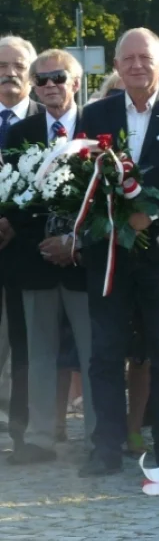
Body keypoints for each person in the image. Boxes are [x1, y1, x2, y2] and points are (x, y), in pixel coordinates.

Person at [79, 28, 159, 477]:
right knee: (105, 353)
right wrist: (109, 218)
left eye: (144, 57)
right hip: (109, 254)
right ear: (116, 66)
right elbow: (79, 182)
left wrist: (148, 215)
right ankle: (106, 448)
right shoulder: (94, 114)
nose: (136, 65)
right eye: (127, 58)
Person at [5, 49, 93, 464]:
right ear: (34, 88)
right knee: (37, 354)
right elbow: (11, 199)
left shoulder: (99, 127)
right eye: (41, 80)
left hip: (85, 260)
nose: (51, 85)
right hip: (35, 260)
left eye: (59, 77)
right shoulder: (21, 133)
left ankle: (98, 437)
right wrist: (42, 241)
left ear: (76, 82)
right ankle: (38, 437)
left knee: (94, 352)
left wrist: (76, 241)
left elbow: (109, 193)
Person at [0, 35, 43, 452]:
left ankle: (22, 432)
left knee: (25, 347)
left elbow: (54, 188)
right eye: (1, 66)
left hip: (24, 252)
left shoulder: (42, 122)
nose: (9, 74)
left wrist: (13, 221)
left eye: (17, 66)